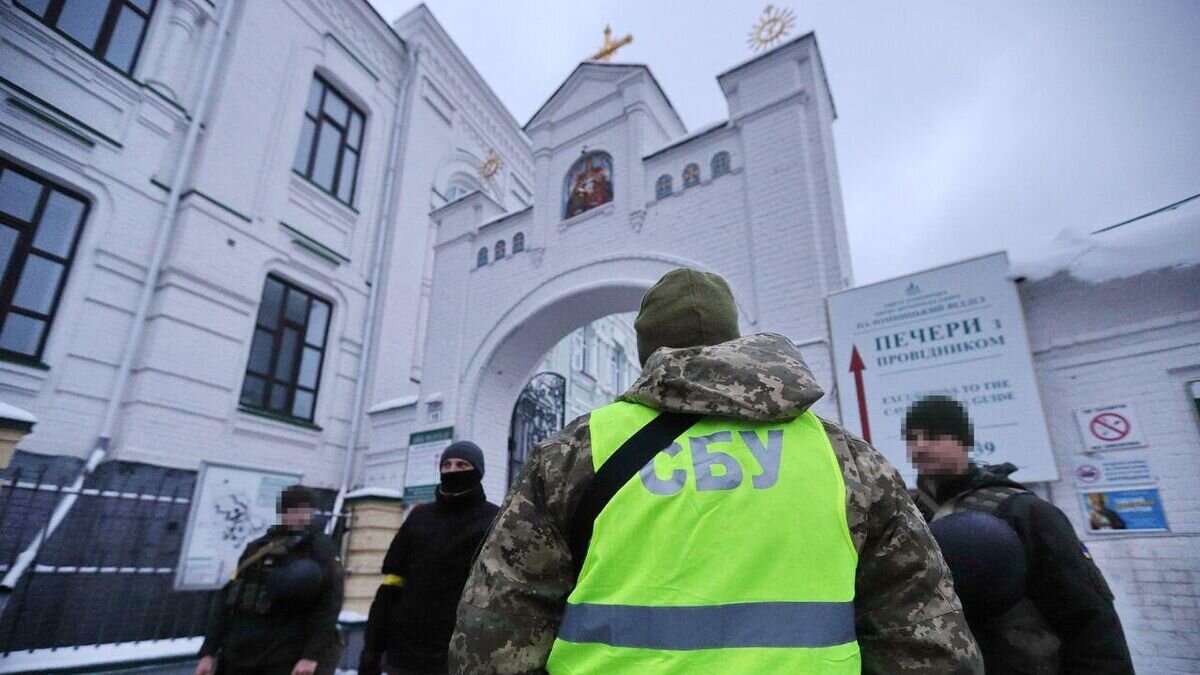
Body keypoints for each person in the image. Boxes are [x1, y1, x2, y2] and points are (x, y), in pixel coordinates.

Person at [449, 268, 983, 674]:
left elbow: (496, 627)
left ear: (646, 352)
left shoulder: (574, 453)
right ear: (731, 339)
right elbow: (926, 635)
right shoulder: (846, 459)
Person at [904, 395, 1134, 674]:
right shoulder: (910, 516)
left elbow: (1088, 617)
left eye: (934, 436)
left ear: (964, 441)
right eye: (912, 438)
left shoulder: (1024, 512)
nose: (920, 447)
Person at [359, 442, 500, 675]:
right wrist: (372, 649)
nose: (453, 470)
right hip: (405, 654)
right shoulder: (419, 517)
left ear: (478, 471)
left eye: (462, 464)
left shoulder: (494, 520)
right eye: (447, 465)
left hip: (461, 654)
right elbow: (390, 588)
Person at [196, 485, 343, 675]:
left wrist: (311, 656)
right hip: (237, 655)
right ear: (283, 512)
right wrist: (208, 652)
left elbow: (329, 604)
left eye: (307, 511)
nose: (302, 517)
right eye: (296, 510)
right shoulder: (256, 548)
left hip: (284, 658)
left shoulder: (320, 549)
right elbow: (227, 600)